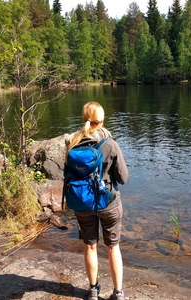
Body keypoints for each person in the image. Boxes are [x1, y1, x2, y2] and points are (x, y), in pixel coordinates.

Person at [65, 101, 129, 300]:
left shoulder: (71, 143)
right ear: (102, 120)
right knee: (113, 247)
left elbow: (67, 174)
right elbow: (123, 178)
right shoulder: (110, 144)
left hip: (82, 203)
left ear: (84, 119)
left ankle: (93, 290)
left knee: (90, 246)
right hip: (108, 203)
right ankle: (118, 293)